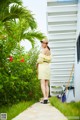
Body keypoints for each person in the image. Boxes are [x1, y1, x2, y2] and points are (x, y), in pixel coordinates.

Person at [36, 38, 51, 104]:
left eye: (43, 43)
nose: (42, 44)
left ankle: (44, 98)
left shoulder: (43, 50)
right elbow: (50, 60)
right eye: (41, 42)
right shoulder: (49, 50)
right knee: (46, 84)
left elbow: (40, 60)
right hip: (47, 66)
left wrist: (36, 63)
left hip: (42, 66)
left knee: (42, 83)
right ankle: (46, 98)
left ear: (46, 43)